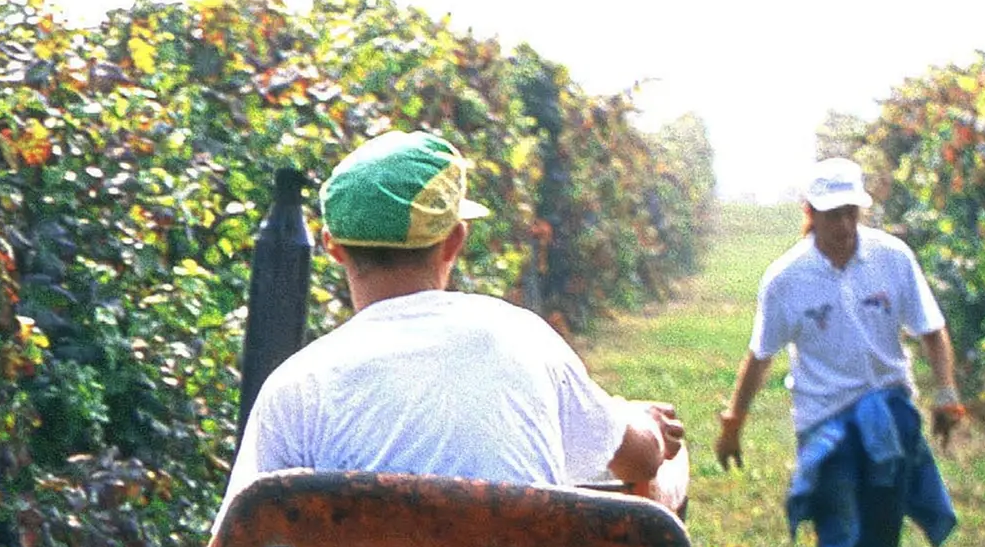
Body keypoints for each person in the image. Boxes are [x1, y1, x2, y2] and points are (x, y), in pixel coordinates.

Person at [225, 129, 683, 499]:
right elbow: (640, 460)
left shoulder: (295, 386)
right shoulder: (524, 338)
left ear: (333, 248)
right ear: (455, 241)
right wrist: (642, 422)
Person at [714, 157, 967, 547]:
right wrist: (734, 421)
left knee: (881, 527)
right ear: (811, 214)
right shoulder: (787, 278)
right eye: (832, 215)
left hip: (888, 411)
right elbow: (760, 354)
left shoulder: (892, 259)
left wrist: (946, 394)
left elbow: (931, 330)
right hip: (824, 418)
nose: (844, 226)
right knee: (837, 527)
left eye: (851, 213)